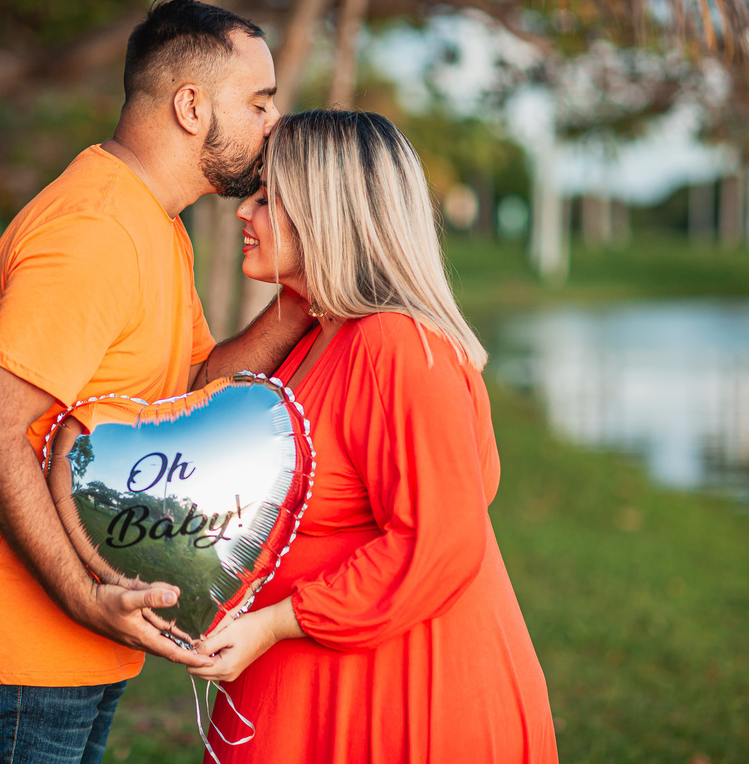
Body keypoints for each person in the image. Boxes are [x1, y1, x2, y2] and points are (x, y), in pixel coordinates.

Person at [0, 0, 313, 764]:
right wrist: (82, 596)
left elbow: (191, 386)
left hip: (78, 643)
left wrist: (299, 305)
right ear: (192, 106)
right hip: (22, 650)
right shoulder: (95, 232)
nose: (273, 123)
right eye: (259, 102)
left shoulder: (151, 222)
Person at [186, 109, 559, 763]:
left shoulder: (397, 348)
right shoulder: (321, 335)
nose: (245, 212)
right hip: (321, 695)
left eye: (270, 197)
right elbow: (205, 398)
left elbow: (437, 542)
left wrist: (274, 625)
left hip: (401, 701)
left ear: (327, 212)